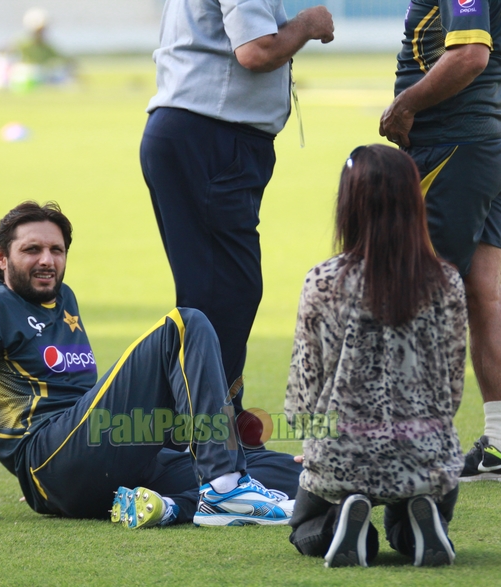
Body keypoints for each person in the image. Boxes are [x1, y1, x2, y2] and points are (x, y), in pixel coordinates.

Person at [0, 201, 301, 530]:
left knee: (282, 471)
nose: (47, 261)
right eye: (32, 250)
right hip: (51, 459)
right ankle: (222, 491)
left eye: (56, 250)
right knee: (185, 323)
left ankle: (175, 504)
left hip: (98, 457)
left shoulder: (65, 300)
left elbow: (74, 395)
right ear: (2, 258)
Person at [379, 0, 501, 483]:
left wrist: (407, 104)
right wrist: (480, 100)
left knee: (417, 293)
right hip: (491, 145)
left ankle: (413, 447)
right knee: (483, 293)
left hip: (451, 150)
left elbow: (471, 55)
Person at [139, 1, 335, 414]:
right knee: (226, 291)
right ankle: (208, 429)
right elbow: (256, 50)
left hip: (199, 133)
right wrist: (308, 24)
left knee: (213, 291)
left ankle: (204, 419)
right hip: (211, 135)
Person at [284, 145, 467, 568]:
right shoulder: (446, 282)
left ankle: (345, 527)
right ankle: (417, 522)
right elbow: (452, 385)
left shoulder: (323, 281)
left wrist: (312, 438)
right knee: (418, 503)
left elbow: (304, 387)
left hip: (342, 453)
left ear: (349, 205)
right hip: (425, 453)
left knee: (304, 529)